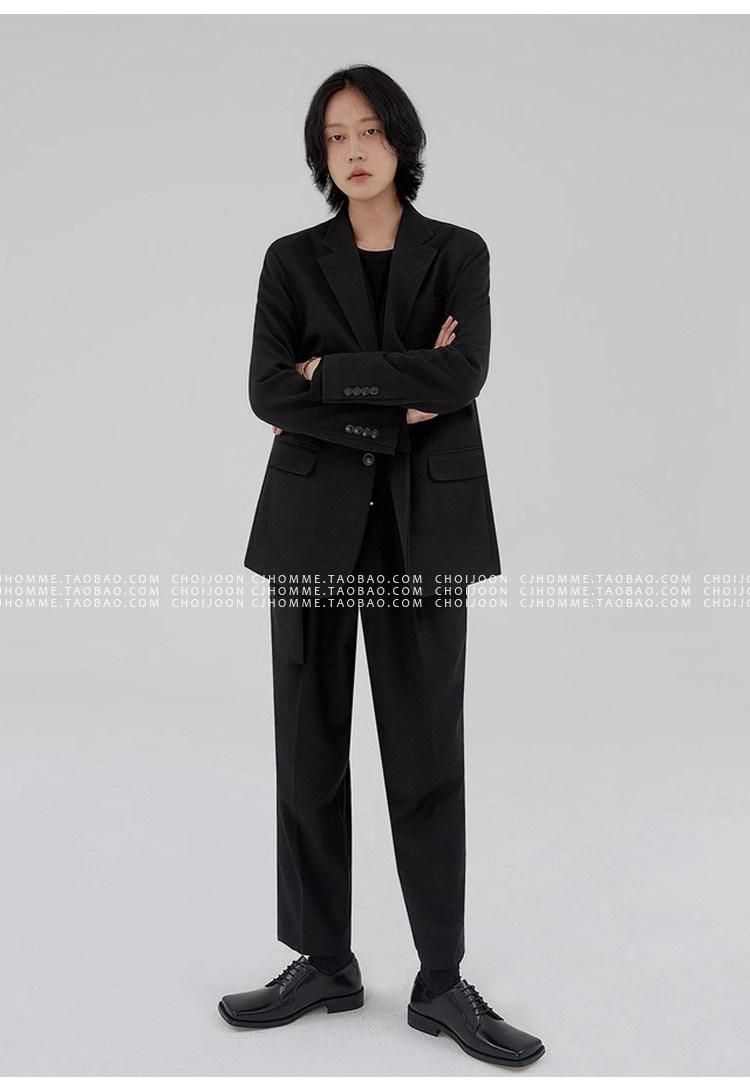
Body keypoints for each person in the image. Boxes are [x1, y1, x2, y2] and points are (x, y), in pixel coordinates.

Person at [218, 64, 545, 1069]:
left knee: (427, 755)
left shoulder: (458, 253)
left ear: (401, 139)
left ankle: (441, 981)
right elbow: (268, 389)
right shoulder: (290, 260)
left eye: (368, 130)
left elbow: (463, 371)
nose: (353, 150)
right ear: (321, 155)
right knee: (308, 753)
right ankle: (323, 959)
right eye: (335, 136)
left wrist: (333, 375)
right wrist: (396, 396)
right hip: (309, 532)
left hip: (423, 530)